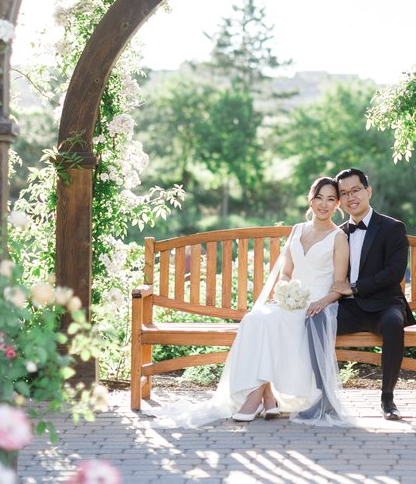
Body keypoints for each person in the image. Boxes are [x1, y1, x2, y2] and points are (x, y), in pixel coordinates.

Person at [149, 176, 353, 427]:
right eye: (319, 198)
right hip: (291, 300)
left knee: (274, 323)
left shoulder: (339, 237)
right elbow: (287, 272)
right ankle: (265, 395)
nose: (324, 204)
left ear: (337, 204)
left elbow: (340, 285)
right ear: (310, 200)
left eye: (331, 199)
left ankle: (257, 396)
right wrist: (285, 290)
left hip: (317, 306)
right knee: (254, 319)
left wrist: (321, 302)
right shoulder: (297, 230)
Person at [300, 168, 415, 421]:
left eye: (356, 190)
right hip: (349, 308)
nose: (351, 197)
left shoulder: (392, 227)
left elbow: (393, 272)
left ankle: (388, 399)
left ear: (368, 191)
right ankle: (323, 397)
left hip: (385, 304)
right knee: (315, 321)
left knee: (394, 325)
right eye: (344, 193)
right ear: (340, 200)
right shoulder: (337, 233)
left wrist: (354, 288)